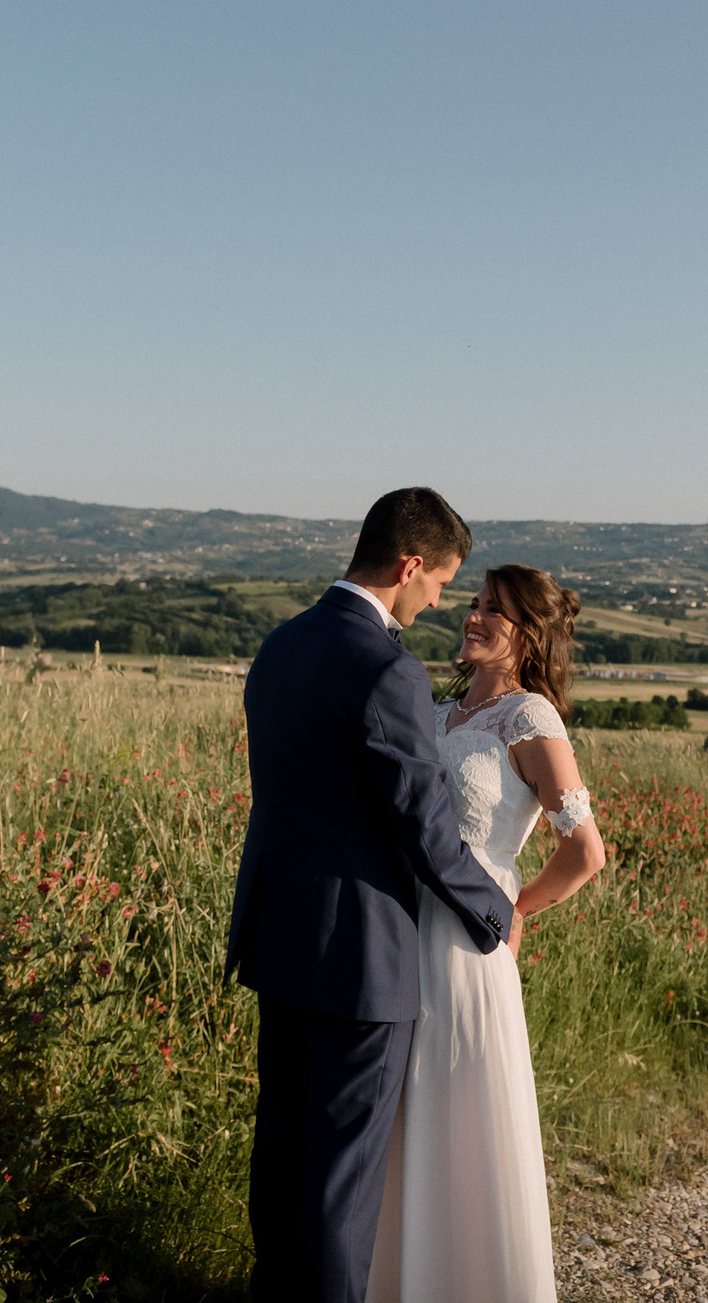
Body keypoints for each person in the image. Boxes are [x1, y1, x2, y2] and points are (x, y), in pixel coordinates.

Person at [228, 488, 516, 1303]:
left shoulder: (280, 645)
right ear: (409, 564)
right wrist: (496, 913)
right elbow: (424, 829)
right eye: (440, 584)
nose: (440, 604)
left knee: (280, 1159)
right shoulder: (388, 669)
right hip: (361, 958)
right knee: (341, 1188)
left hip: (278, 938)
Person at [371, 563, 607, 1303]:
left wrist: (520, 911)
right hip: (405, 929)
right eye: (472, 603)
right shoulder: (442, 712)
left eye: (493, 612)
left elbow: (586, 851)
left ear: (528, 634)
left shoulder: (530, 718)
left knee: (462, 1112)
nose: (472, 617)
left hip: (470, 941)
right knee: (408, 1109)